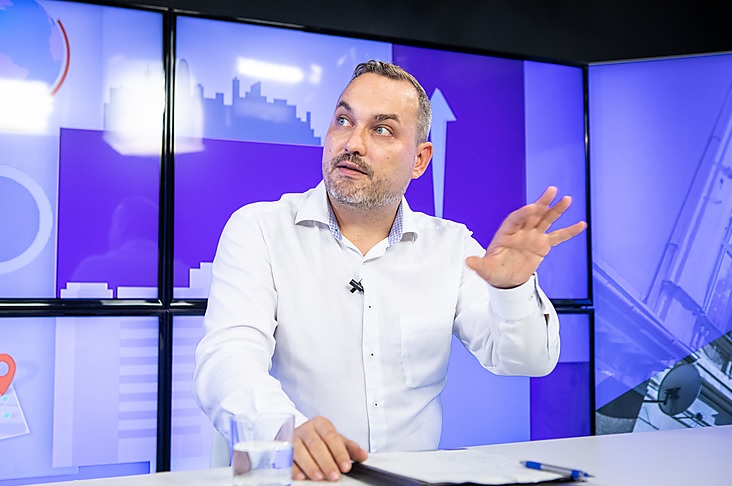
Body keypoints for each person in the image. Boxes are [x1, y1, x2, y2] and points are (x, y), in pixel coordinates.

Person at [193, 60, 587, 482]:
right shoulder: (260, 229)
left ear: (419, 159)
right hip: (300, 478)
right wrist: (283, 428)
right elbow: (227, 358)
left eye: (381, 129)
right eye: (344, 120)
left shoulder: (451, 247)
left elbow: (526, 360)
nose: (353, 143)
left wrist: (512, 288)